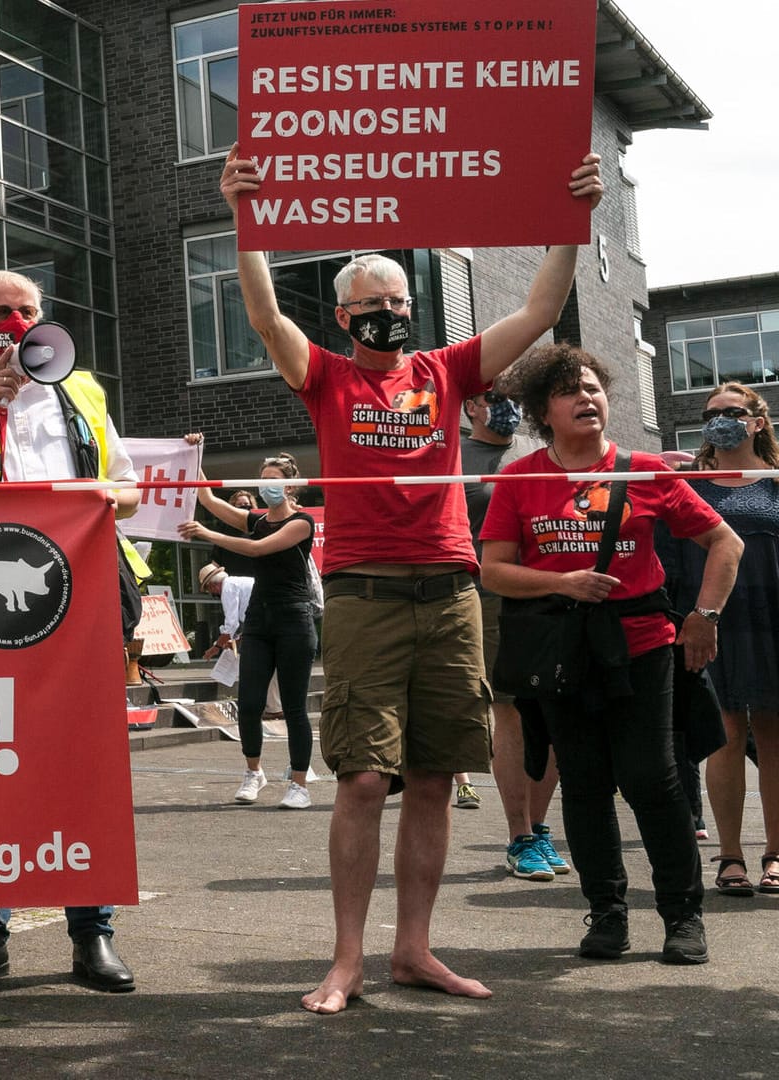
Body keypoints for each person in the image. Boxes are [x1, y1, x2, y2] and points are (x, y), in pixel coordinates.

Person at [221, 144, 605, 1013]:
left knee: (433, 778)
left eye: (399, 299)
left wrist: (568, 216)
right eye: (372, 303)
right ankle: (348, 959)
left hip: (450, 591)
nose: (389, 312)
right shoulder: (324, 374)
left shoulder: (446, 369)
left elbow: (543, 308)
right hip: (362, 592)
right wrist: (247, 215)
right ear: (344, 313)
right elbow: (264, 315)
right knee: (361, 778)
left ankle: (414, 953)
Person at [0, 269, 143, 993]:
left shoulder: (82, 390)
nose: (13, 319)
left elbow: (129, 490)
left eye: (26, 309)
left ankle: (91, 934)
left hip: (79, 602)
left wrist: (92, 500)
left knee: (83, 765)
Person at [480, 345, 740, 964]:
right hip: (561, 654)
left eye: (594, 388)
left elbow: (724, 544)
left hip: (643, 647)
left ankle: (682, 916)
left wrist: (703, 618)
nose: (586, 398)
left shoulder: (645, 468)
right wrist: (560, 583)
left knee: (653, 779)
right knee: (586, 784)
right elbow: (492, 572)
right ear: (545, 410)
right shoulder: (519, 478)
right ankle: (607, 914)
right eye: (570, 391)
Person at [668, 381, 779, 897]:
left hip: (772, 617)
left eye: (732, 412)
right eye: (711, 414)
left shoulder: (777, 480)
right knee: (726, 734)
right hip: (714, 618)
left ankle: (776, 855)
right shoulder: (690, 483)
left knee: (775, 737)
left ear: (757, 421)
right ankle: (730, 856)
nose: (720, 421)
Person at [458, 389, 569, 874]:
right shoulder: (453, 458)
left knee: (554, 716)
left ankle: (540, 830)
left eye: (515, 397)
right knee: (512, 718)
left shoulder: (538, 453)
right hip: (490, 601)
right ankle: (520, 835)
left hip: (553, 594)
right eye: (494, 397)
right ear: (471, 408)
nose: (509, 406)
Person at [180, 448, 317, 809]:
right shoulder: (257, 519)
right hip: (259, 620)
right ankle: (253, 771)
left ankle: (299, 783)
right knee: (250, 702)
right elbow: (208, 497)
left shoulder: (301, 522)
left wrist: (210, 535)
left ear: (291, 487)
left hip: (294, 618)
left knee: (293, 706)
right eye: (263, 480)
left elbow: (258, 551)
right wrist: (195, 453)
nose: (267, 487)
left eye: (274, 481)